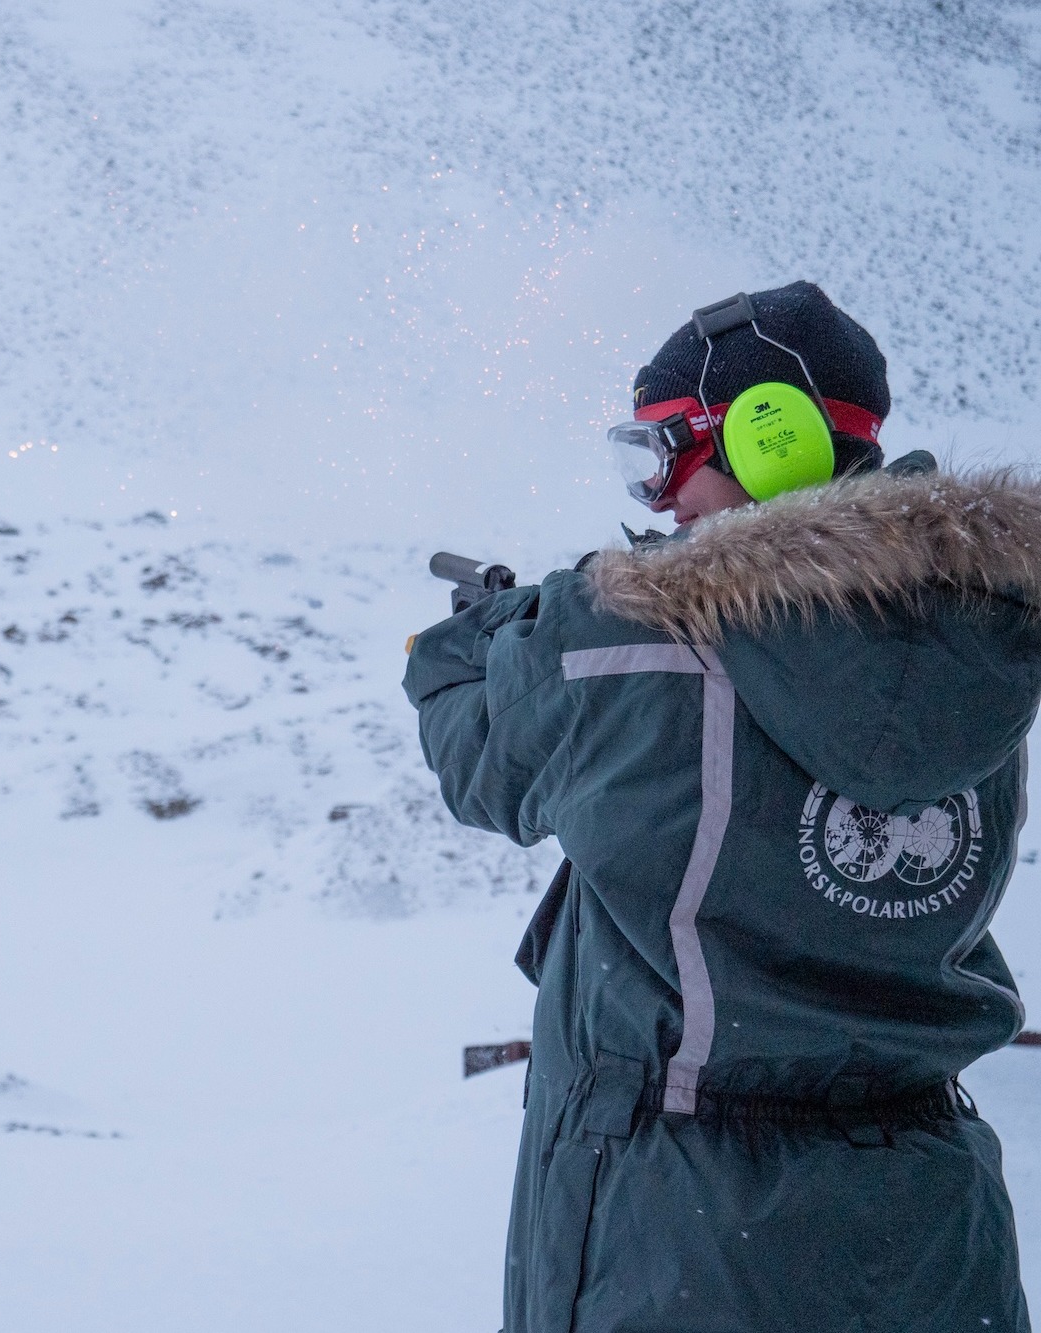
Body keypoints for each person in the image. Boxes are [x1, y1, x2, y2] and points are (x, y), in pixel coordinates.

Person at [403, 280, 1041, 1332]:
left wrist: (458, 649)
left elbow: (481, 765)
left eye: (662, 450)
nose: (654, 499)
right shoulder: (979, 629)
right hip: (930, 1230)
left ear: (769, 435)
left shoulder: (620, 632)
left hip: (677, 1236)